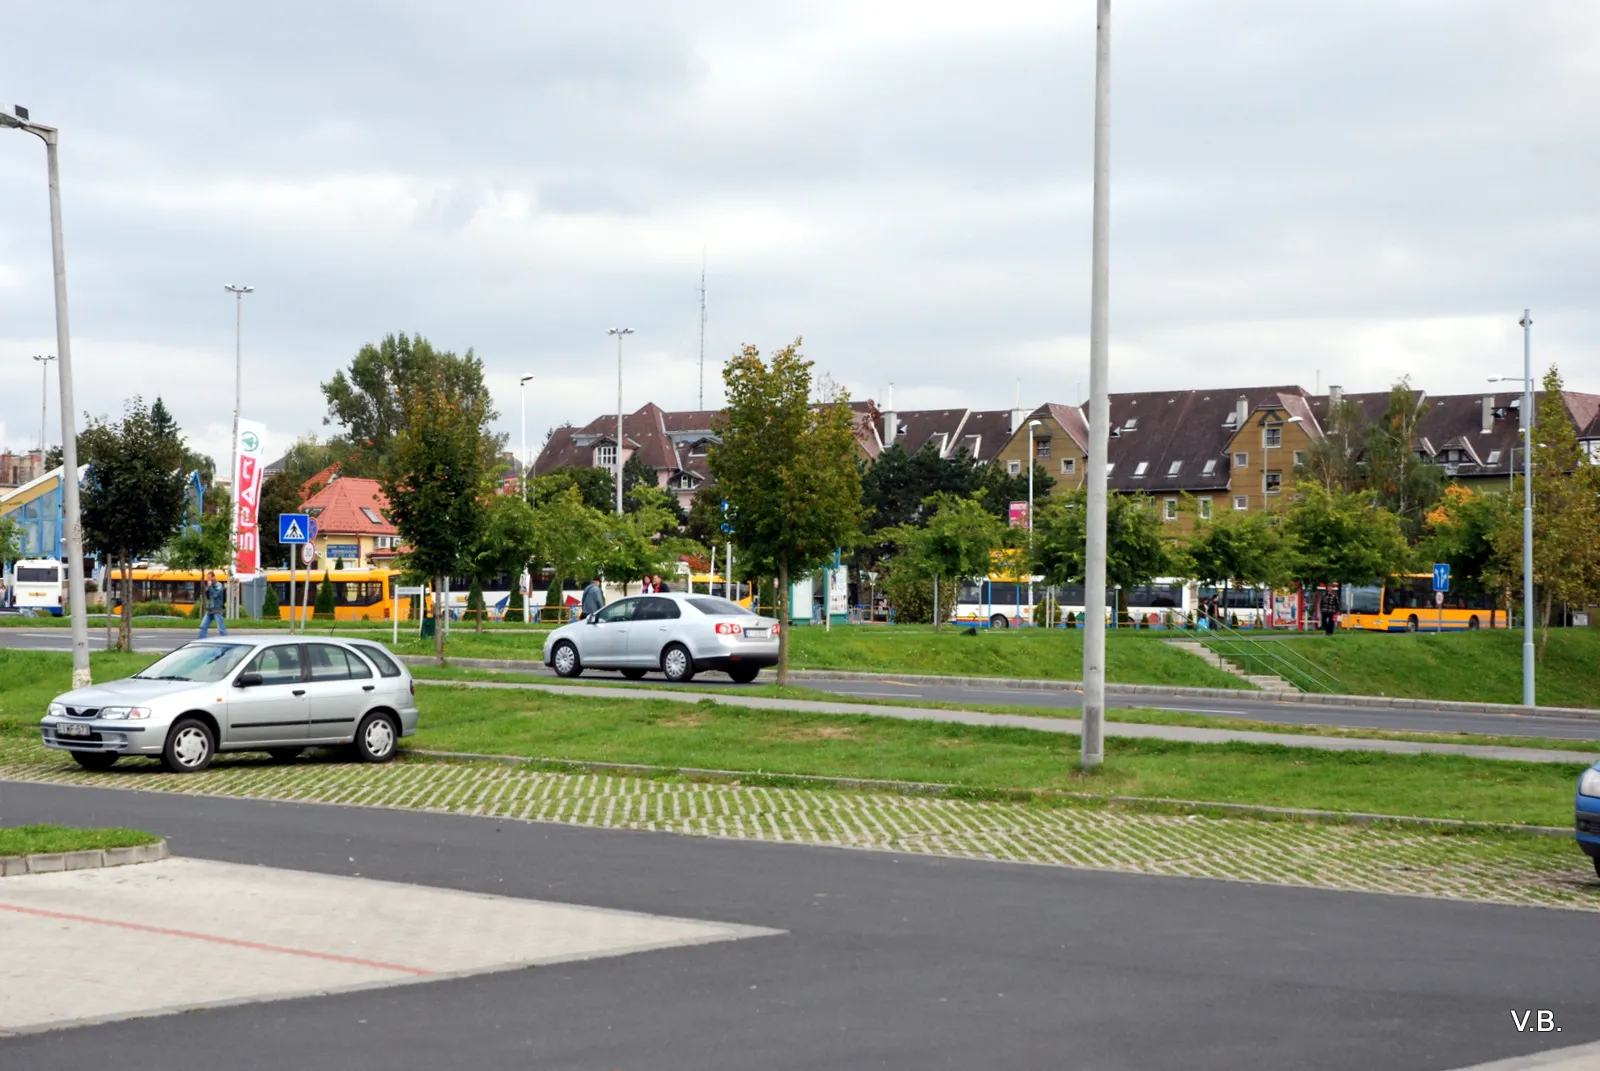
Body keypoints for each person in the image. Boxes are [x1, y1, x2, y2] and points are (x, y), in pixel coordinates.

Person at [198, 571, 228, 638]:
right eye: (207, 578)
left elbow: (215, 595)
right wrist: (207, 590)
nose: (208, 579)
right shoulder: (210, 586)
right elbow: (208, 597)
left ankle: (226, 639)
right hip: (210, 609)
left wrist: (210, 587)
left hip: (217, 609)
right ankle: (201, 640)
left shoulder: (219, 585)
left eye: (209, 578)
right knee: (203, 626)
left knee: (221, 628)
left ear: (214, 577)